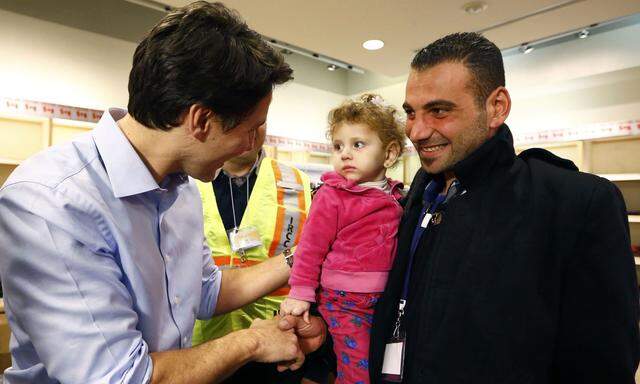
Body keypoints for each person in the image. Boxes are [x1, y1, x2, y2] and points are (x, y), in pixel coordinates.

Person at [0, 2, 325, 383]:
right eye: (252, 129)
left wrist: (307, 253)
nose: (253, 145)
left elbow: (205, 291)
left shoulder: (179, 188)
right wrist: (251, 342)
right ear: (201, 121)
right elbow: (121, 377)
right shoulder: (52, 203)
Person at [369, 32, 640, 383]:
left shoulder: (575, 203)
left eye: (438, 110)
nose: (417, 131)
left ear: (496, 107)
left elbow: (603, 364)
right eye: (411, 113)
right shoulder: (417, 196)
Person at [281, 94, 406, 384]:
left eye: (357, 145)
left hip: (382, 300)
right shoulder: (332, 195)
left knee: (378, 366)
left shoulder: (397, 196)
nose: (345, 154)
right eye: (338, 146)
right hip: (345, 301)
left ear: (389, 154)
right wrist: (300, 291)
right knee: (357, 373)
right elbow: (311, 248)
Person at [192, 123, 329, 383]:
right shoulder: (186, 182)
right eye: (238, 116)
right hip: (201, 351)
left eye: (258, 120)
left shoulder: (298, 184)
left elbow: (321, 273)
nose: (250, 129)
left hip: (281, 349)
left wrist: (316, 362)